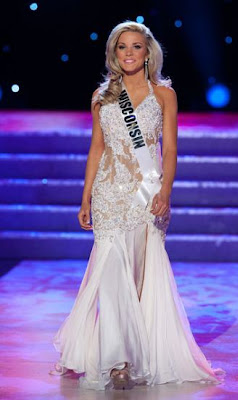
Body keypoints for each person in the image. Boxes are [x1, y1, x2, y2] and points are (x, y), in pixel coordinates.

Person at [49, 20, 226, 391]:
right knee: (112, 275)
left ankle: (143, 352)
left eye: (136, 47)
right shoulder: (102, 96)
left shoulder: (164, 95)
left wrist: (166, 192)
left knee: (141, 276)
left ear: (148, 54)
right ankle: (119, 361)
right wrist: (85, 196)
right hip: (110, 193)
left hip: (146, 193)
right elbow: (97, 148)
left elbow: (171, 149)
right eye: (122, 47)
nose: (129, 53)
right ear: (114, 53)